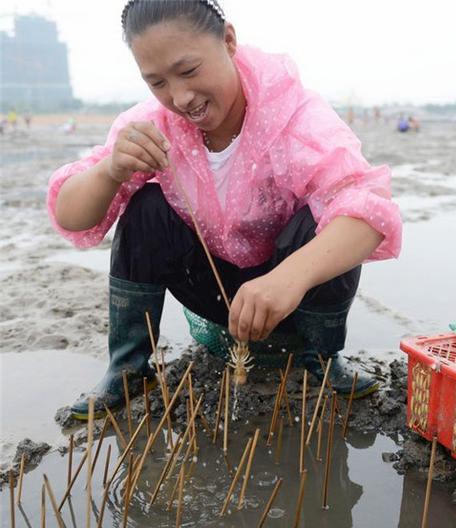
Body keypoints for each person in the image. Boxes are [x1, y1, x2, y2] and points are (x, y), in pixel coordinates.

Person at [48, 0, 402, 421]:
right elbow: (72, 216)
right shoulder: (152, 126)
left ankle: (320, 359)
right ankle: (128, 367)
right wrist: (110, 169)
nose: (180, 97)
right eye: (157, 82)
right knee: (146, 206)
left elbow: (371, 213)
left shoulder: (296, 116)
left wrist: (287, 279)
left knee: (327, 216)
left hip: (291, 299)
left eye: (189, 71)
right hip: (212, 291)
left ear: (229, 41)